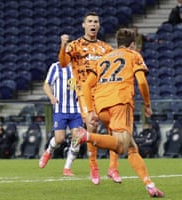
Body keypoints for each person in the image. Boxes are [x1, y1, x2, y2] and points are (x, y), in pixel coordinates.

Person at [74, 28, 164, 198]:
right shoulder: (133, 54)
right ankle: (87, 137)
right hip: (120, 101)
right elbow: (142, 82)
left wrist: (91, 110)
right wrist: (147, 105)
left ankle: (149, 185)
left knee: (131, 148)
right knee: (122, 145)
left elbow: (86, 85)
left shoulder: (103, 59)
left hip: (101, 105)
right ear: (132, 44)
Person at [58, 12, 121, 184]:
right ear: (83, 25)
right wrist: (63, 45)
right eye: (90, 21)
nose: (93, 24)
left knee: (114, 128)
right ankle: (93, 166)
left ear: (99, 26)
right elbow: (63, 63)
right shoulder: (75, 45)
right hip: (84, 92)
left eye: (96, 21)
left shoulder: (106, 48)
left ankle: (113, 168)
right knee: (92, 126)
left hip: (104, 92)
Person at [39, 62, 83, 176]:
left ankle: (67, 168)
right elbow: (46, 84)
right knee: (59, 139)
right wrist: (51, 97)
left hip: (76, 110)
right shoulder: (56, 66)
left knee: (77, 138)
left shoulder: (80, 66)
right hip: (60, 109)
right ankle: (48, 151)